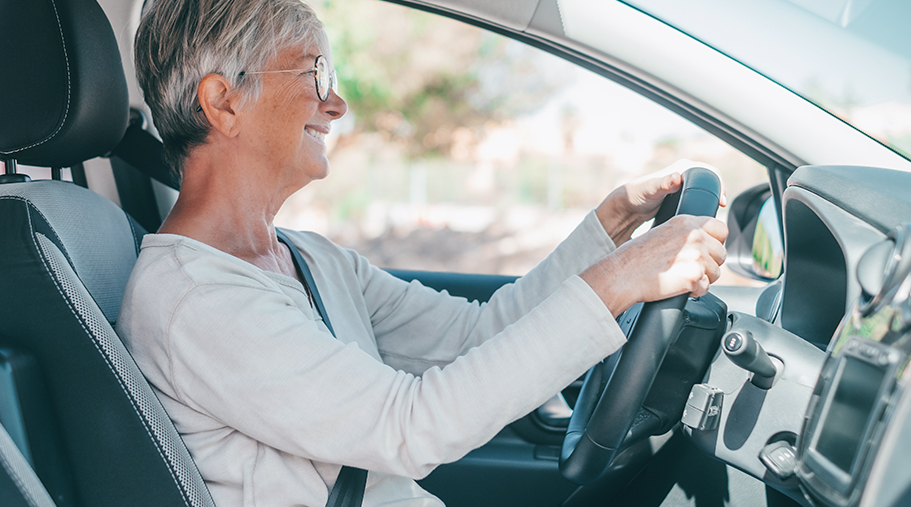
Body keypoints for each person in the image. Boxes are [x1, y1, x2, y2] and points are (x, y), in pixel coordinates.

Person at [117, 0, 728, 506]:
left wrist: (612, 224)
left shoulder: (307, 259)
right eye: (315, 76)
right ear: (224, 102)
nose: (337, 104)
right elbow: (408, 428)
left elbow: (479, 333)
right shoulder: (196, 301)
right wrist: (618, 283)